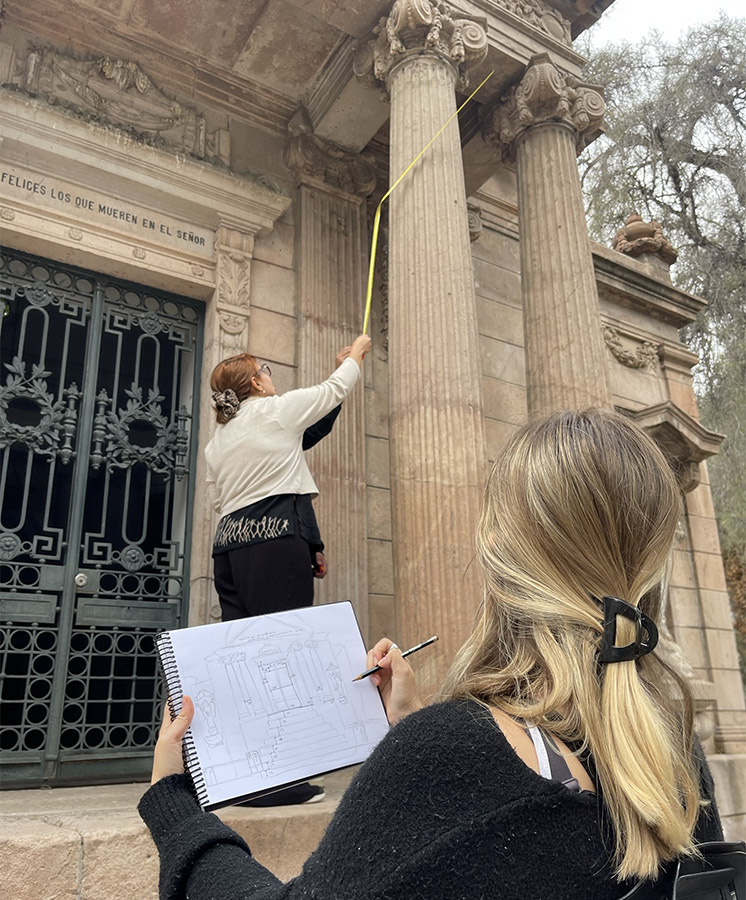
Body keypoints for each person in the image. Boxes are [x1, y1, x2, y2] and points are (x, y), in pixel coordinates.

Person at [140, 408, 724, 899]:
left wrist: (173, 807)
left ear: (499, 554)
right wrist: (416, 726)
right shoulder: (672, 751)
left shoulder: (445, 756)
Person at [205, 333, 370, 804]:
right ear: (256, 383)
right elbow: (334, 390)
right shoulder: (275, 411)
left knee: (245, 661)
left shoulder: (219, 442)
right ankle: (276, 782)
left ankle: (248, 776)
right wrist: (353, 357)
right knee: (283, 658)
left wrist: (311, 542)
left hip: (230, 548)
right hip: (274, 541)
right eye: (268, 371)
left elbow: (303, 439)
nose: (273, 378)